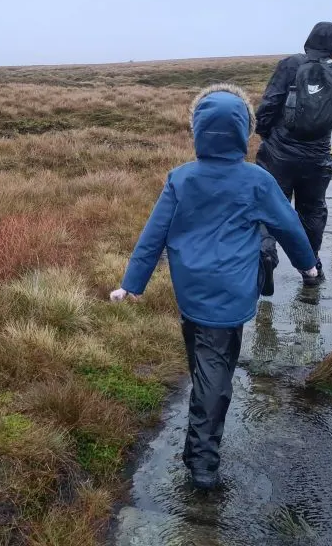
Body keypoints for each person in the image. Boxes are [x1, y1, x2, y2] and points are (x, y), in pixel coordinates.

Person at [110, 84, 317, 490]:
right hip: (233, 290)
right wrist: (307, 265)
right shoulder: (256, 180)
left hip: (191, 287)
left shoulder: (181, 178)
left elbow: (154, 235)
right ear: (244, 131)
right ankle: (203, 463)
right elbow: (289, 226)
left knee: (205, 358)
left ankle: (197, 449)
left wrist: (132, 283)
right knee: (216, 373)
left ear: (198, 130)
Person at [255, 22, 332, 287]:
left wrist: (267, 134)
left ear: (309, 40)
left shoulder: (290, 64)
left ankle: (265, 253)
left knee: (269, 205)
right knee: (312, 211)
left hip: (278, 153)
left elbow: (269, 104)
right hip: (318, 156)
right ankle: (311, 268)